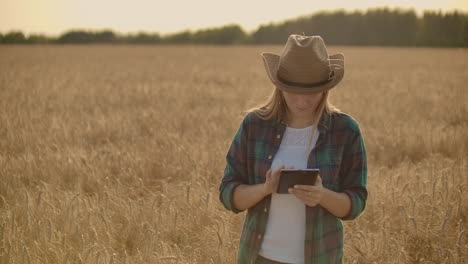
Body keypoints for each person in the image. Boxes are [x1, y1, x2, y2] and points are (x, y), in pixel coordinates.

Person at [218, 35, 368, 264]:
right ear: (280, 87)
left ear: (325, 89)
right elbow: (228, 195)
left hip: (320, 258)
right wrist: (265, 189)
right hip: (258, 257)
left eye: (311, 92)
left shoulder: (345, 130)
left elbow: (356, 202)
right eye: (293, 91)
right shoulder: (254, 125)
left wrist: (322, 195)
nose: (301, 101)